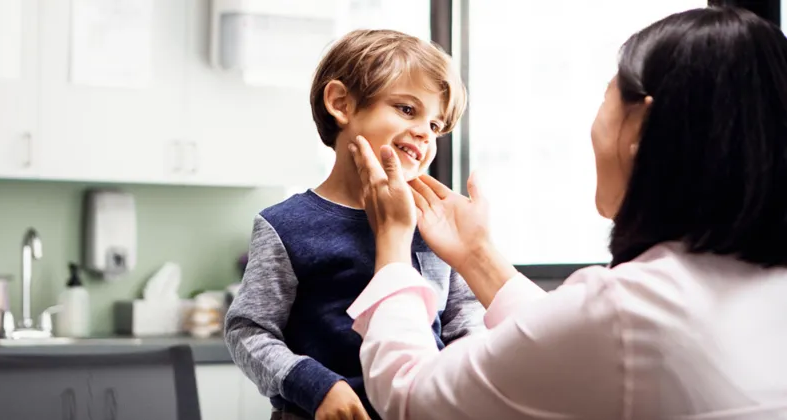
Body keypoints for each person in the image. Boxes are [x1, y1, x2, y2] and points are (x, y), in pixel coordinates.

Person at [346, 7, 787, 420]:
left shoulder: (626, 315)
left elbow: (412, 397)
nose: (423, 133)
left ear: (639, 126)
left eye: (607, 95)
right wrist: (478, 255)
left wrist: (392, 244)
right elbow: (576, 342)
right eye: (406, 109)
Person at [224, 29, 482, 420]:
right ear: (341, 103)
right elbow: (248, 330)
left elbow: (464, 321)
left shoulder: (434, 225)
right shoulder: (285, 226)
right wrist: (316, 386)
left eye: (435, 126)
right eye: (408, 110)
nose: (424, 135)